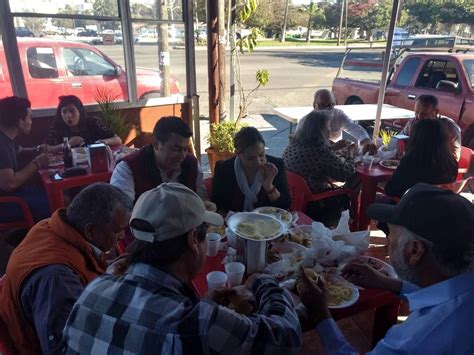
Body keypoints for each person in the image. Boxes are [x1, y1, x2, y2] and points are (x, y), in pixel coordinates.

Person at [63, 183, 302, 354]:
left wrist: (204, 306)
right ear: (192, 241)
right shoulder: (196, 323)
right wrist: (264, 283)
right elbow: (287, 339)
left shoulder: (93, 289)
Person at [298, 183, 474, 354]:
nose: (388, 240)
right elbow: (440, 294)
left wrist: (321, 314)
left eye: (390, 233)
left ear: (414, 251)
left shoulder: (417, 340)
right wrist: (389, 283)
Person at [0, 183, 133, 355]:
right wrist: (106, 284)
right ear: (90, 230)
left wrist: (106, 273)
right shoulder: (56, 278)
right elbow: (66, 348)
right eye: (118, 230)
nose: (122, 236)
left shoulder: (50, 227)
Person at [111, 116, 209, 204]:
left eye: (185, 149)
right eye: (175, 149)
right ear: (155, 143)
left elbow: (201, 200)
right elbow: (122, 213)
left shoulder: (191, 164)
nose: (182, 156)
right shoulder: (128, 168)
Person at [283, 111, 357, 225]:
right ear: (320, 130)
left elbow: (312, 158)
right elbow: (345, 173)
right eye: (328, 126)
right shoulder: (320, 150)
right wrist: (351, 154)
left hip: (292, 197)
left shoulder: (294, 143)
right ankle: (353, 222)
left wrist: (332, 148)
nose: (330, 130)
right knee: (356, 181)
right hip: (315, 204)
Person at [212, 126, 291, 213]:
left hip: (267, 223)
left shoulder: (276, 166)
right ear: (238, 154)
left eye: (261, 155)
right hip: (234, 222)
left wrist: (269, 187)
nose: (258, 163)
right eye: (250, 158)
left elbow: (285, 205)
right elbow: (217, 204)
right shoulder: (224, 169)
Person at [0, 96, 50, 222]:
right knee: (58, 200)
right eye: (30, 118)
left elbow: (20, 150)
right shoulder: (2, 146)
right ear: (20, 122)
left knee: (49, 191)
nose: (31, 122)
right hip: (7, 203)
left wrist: (41, 149)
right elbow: (9, 184)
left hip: (14, 195)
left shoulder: (6, 138)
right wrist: (37, 163)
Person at [384, 119, 458, 199]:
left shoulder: (411, 162)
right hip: (439, 208)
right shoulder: (451, 163)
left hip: (410, 208)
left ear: (416, 139)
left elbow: (390, 190)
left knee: (373, 207)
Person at [296, 89, 377, 154]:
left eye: (330, 105)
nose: (327, 109)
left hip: (336, 155)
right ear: (314, 105)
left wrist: (366, 141)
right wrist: (333, 147)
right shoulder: (305, 122)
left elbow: (353, 127)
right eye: (322, 106)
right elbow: (305, 148)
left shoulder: (338, 114)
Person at [400, 94, 461, 159]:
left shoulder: (449, 127)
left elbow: (455, 156)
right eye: (416, 112)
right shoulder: (413, 122)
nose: (419, 117)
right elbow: (399, 139)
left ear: (436, 112)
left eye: (424, 114)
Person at [47, 95, 122, 147]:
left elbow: (118, 140)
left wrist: (104, 142)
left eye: (72, 111)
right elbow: (48, 148)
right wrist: (68, 144)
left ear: (80, 111)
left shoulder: (93, 122)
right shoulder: (57, 126)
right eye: (64, 112)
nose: (68, 115)